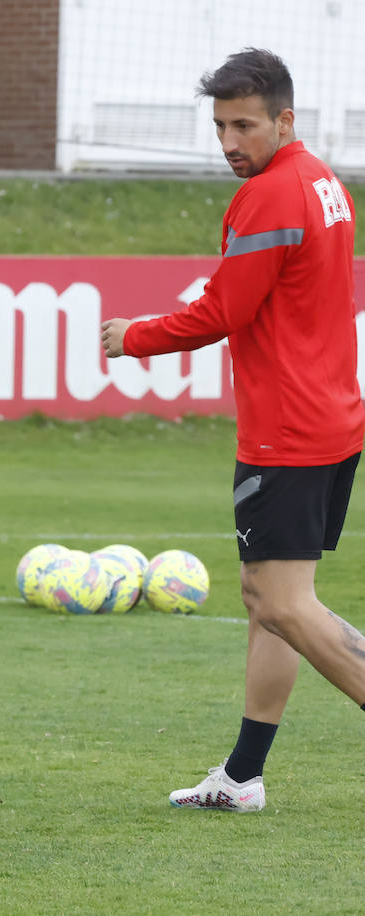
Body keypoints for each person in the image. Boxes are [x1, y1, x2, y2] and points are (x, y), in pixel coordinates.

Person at [100, 48, 365, 812]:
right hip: (329, 416)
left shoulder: (271, 195)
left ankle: (246, 774)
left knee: (284, 602)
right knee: (267, 597)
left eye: (244, 125)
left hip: (289, 426)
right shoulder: (321, 181)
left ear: (286, 119)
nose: (229, 143)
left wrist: (136, 336)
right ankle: (242, 776)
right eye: (220, 126)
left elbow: (225, 311)